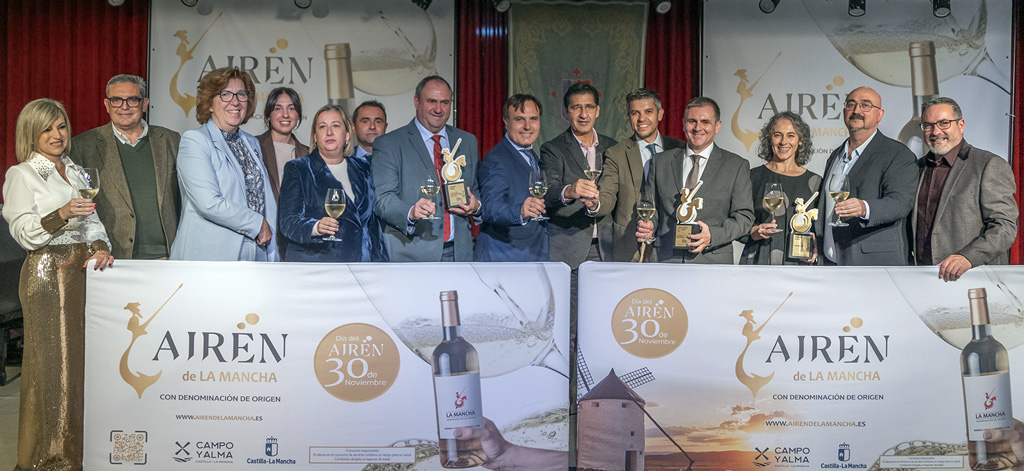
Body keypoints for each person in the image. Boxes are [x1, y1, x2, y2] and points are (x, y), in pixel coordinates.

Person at [2, 98, 114, 471]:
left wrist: (100, 247)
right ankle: (48, 460)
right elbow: (24, 233)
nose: (57, 134)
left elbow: (93, 220)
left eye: (61, 126)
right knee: (53, 370)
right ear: (31, 134)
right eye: (47, 129)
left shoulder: (76, 170)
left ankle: (76, 453)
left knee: (80, 367)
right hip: (48, 275)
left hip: (82, 275)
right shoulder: (22, 174)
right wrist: (60, 214)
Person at [170, 66, 279, 261]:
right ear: (210, 103)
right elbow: (208, 203)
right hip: (212, 257)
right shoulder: (195, 141)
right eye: (226, 94)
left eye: (241, 94)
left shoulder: (252, 142)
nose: (235, 102)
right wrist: (257, 223)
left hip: (257, 253)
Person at [371, 75, 481, 262]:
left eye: (444, 102)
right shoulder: (389, 144)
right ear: (417, 102)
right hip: (412, 254)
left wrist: (476, 206)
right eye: (431, 101)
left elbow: (476, 190)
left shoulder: (467, 141)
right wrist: (410, 212)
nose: (438, 109)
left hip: (460, 254)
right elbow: (383, 200)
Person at [72, 74, 181, 260]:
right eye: (116, 100)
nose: (124, 107)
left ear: (144, 104)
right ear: (107, 105)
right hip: (112, 258)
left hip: (168, 256)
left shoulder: (171, 140)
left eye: (132, 100)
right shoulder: (83, 146)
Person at [636, 97, 754, 264]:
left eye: (705, 122)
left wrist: (713, 235)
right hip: (666, 260)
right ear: (684, 124)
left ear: (717, 126)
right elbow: (650, 206)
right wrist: (648, 225)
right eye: (692, 121)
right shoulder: (660, 162)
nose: (698, 128)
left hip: (712, 262)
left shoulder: (736, 166)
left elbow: (744, 217)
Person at [913, 97, 1017, 281]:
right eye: (928, 125)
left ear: (960, 125)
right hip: (920, 277)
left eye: (944, 123)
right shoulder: (916, 168)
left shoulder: (988, 164)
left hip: (972, 278)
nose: (936, 131)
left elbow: (1005, 227)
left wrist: (968, 257)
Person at [815, 86, 918, 266]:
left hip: (873, 264)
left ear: (880, 114)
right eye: (851, 104)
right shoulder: (836, 155)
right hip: (830, 264)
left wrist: (865, 208)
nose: (857, 110)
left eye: (865, 105)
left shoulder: (898, 154)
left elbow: (901, 203)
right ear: (844, 111)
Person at [277, 104, 389, 262]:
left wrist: (381, 263)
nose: (329, 132)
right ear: (315, 136)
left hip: (362, 263)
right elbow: (288, 222)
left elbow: (373, 225)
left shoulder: (363, 167)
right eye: (322, 127)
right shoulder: (298, 169)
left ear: (347, 134)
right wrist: (315, 227)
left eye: (335, 126)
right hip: (318, 263)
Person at [590, 88, 684, 262]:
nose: (642, 119)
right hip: (631, 247)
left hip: (672, 246)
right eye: (635, 113)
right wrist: (595, 204)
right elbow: (607, 195)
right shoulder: (616, 153)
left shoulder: (680, 149)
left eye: (648, 111)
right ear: (628, 116)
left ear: (660, 114)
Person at [540, 82, 616, 270]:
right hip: (569, 250)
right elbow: (548, 192)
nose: (583, 114)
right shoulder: (553, 148)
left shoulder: (612, 147)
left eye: (589, 107)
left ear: (597, 111)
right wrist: (569, 191)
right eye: (576, 108)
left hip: (608, 249)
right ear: (566, 112)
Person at [474, 94, 549, 262]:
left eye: (533, 119)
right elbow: (490, 207)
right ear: (506, 122)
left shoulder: (531, 154)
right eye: (519, 119)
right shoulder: (496, 159)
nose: (527, 126)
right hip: (504, 257)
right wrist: (519, 211)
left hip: (531, 254)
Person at [740, 111, 821, 265]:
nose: (784, 142)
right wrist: (753, 232)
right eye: (778, 135)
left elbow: (821, 229)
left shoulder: (815, 183)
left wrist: (817, 245)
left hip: (799, 263)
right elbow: (738, 220)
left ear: (800, 140)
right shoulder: (752, 177)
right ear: (769, 139)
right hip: (759, 260)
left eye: (791, 135)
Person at [256, 87, 309, 201]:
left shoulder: (308, 154)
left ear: (298, 115)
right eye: (278, 108)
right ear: (268, 115)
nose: (285, 115)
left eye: (291, 108)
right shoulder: (254, 146)